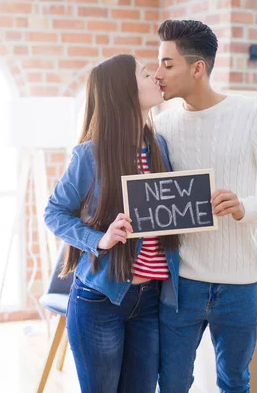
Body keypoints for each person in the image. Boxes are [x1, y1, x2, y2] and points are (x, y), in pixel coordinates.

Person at [153, 20, 257, 393]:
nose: (158, 74)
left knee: (234, 382)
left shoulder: (252, 114)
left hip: (240, 283)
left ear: (197, 68)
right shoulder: (163, 124)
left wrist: (245, 207)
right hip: (181, 282)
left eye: (167, 65)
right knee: (171, 383)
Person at [43, 54, 181, 393]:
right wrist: (98, 239)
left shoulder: (158, 146)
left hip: (149, 299)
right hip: (99, 301)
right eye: (146, 74)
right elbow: (54, 213)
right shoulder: (90, 155)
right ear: (124, 91)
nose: (156, 79)